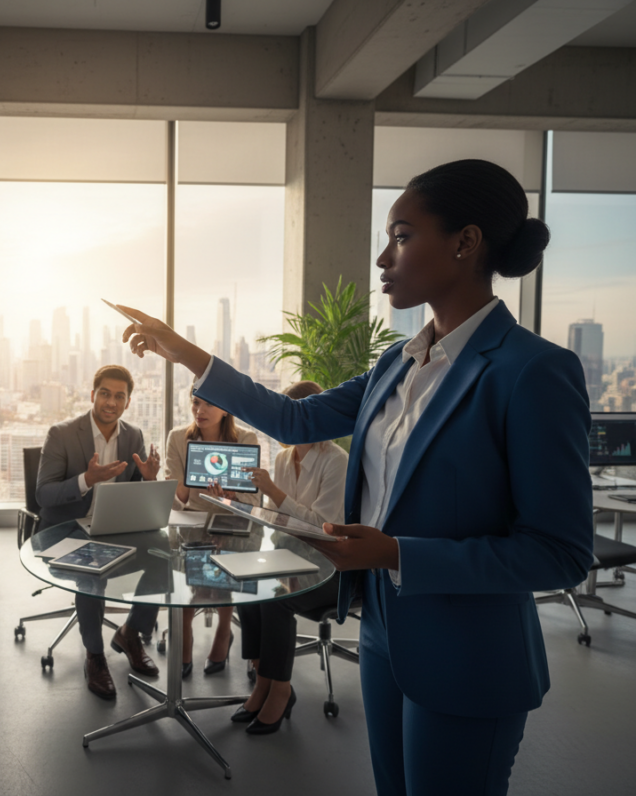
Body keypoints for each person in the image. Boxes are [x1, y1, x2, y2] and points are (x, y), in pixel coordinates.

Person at [116, 160, 594, 795]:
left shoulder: (532, 372)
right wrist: (188, 353)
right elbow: (293, 418)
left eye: (400, 235)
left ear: (465, 242)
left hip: (469, 655)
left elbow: (560, 554)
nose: (381, 258)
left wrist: (398, 553)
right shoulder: (398, 362)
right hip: (383, 634)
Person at [35, 365, 162, 700]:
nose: (111, 402)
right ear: (93, 395)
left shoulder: (133, 435)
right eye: (105, 393)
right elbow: (43, 495)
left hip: (112, 530)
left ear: (128, 402)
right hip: (66, 531)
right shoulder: (61, 434)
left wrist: (148, 481)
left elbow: (134, 495)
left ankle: (131, 632)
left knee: (163, 557)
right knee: (92, 575)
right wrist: (86, 480)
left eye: (119, 396)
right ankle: (95, 655)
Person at [232, 380, 348, 734]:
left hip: (333, 565)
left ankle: (280, 689)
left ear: (309, 420)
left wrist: (274, 493)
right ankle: (263, 681)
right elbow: (278, 522)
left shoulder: (336, 462)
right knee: (246, 581)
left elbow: (321, 527)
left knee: (277, 599)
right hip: (292, 555)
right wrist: (237, 504)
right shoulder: (283, 458)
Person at [165, 382, 258, 677]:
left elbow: (255, 499)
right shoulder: (178, 438)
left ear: (225, 409)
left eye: (208, 405)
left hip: (232, 520)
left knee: (227, 559)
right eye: (195, 403)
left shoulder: (246, 438)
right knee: (184, 564)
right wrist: (178, 485)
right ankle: (185, 630)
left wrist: (228, 498)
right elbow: (177, 501)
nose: (199, 411)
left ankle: (223, 631)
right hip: (191, 519)